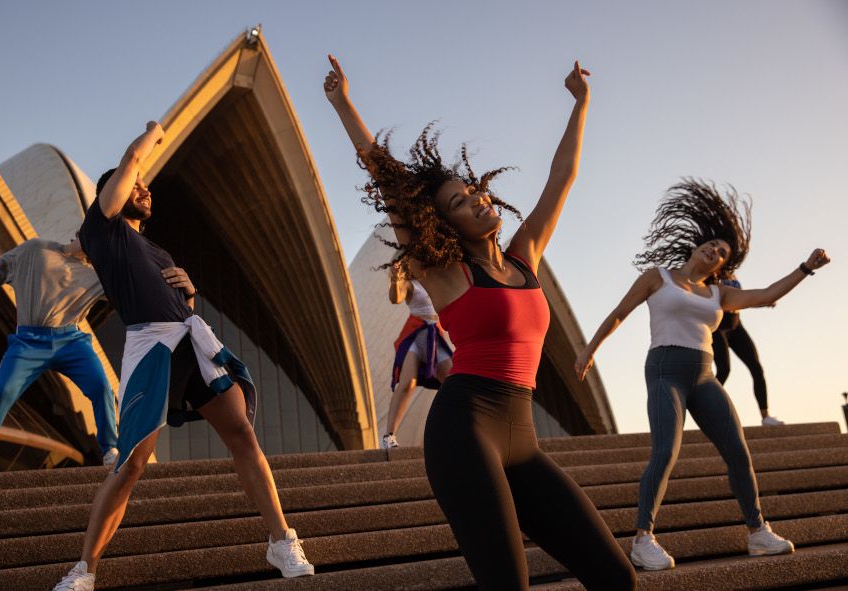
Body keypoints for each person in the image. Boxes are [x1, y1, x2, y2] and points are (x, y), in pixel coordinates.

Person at [325, 55, 636, 590]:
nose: (477, 201)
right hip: (465, 430)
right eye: (460, 203)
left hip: (523, 437)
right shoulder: (443, 272)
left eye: (475, 193)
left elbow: (563, 177)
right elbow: (389, 183)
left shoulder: (524, 257)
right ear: (443, 223)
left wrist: (581, 105)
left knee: (616, 578)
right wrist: (342, 103)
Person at [52, 122, 313, 591]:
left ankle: (281, 539)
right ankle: (84, 570)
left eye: (146, 187)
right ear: (113, 192)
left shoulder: (156, 248)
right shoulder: (102, 229)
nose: (144, 189)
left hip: (190, 340)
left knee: (242, 434)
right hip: (149, 346)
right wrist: (153, 133)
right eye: (136, 185)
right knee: (131, 463)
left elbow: (179, 303)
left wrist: (190, 291)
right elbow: (132, 162)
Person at [574, 179, 830, 571]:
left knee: (739, 453)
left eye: (721, 253)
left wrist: (805, 269)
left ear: (722, 267)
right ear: (696, 246)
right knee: (666, 452)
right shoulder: (656, 277)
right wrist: (589, 350)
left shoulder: (718, 295)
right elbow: (618, 314)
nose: (714, 251)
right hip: (664, 371)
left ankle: (758, 532)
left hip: (704, 376)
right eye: (711, 245)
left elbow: (766, 296)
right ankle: (643, 539)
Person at [0, 237, 118, 475]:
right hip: (28, 341)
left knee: (101, 387)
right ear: (75, 235)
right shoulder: (37, 249)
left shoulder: (95, 277)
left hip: (71, 341)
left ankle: (110, 450)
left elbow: (132, 288)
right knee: (3, 392)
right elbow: (0, 265)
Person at [382, 260, 453, 449]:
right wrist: (396, 280)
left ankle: (456, 430)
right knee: (407, 383)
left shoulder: (434, 278)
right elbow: (396, 298)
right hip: (416, 334)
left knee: (453, 383)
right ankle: (389, 436)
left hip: (434, 336)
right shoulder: (409, 283)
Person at [712, 273, 783, 425]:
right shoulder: (714, 274)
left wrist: (763, 302)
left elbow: (743, 299)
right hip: (717, 328)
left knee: (756, 368)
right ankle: (707, 407)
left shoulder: (732, 275)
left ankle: (765, 416)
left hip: (736, 326)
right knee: (724, 370)